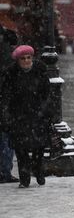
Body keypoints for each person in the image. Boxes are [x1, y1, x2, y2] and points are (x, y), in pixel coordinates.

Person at [2, 46, 51, 187]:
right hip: (18, 116)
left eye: (29, 57)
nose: (26, 61)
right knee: (20, 148)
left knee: (39, 147)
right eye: (23, 58)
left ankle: (38, 170)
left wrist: (46, 111)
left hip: (37, 115)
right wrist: (6, 115)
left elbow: (47, 94)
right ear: (17, 60)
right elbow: (5, 96)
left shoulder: (40, 71)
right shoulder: (10, 74)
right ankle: (24, 177)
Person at [0, 24, 18, 183]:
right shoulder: (6, 50)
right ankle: (4, 171)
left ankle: (4, 171)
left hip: (5, 98)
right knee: (6, 136)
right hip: (5, 98)